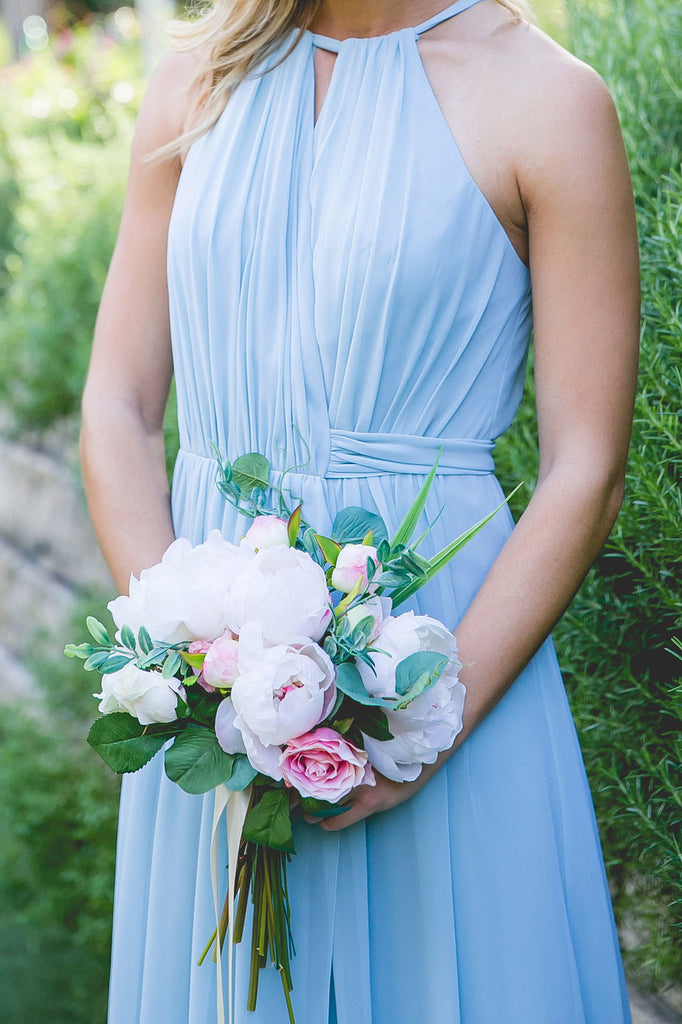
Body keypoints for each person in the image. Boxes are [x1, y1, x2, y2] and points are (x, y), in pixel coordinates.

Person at [80, 0, 640, 1021]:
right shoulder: (194, 81)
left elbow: (586, 469)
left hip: (441, 670)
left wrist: (425, 721)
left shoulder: (549, 103)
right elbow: (116, 407)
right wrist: (190, 662)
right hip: (211, 705)